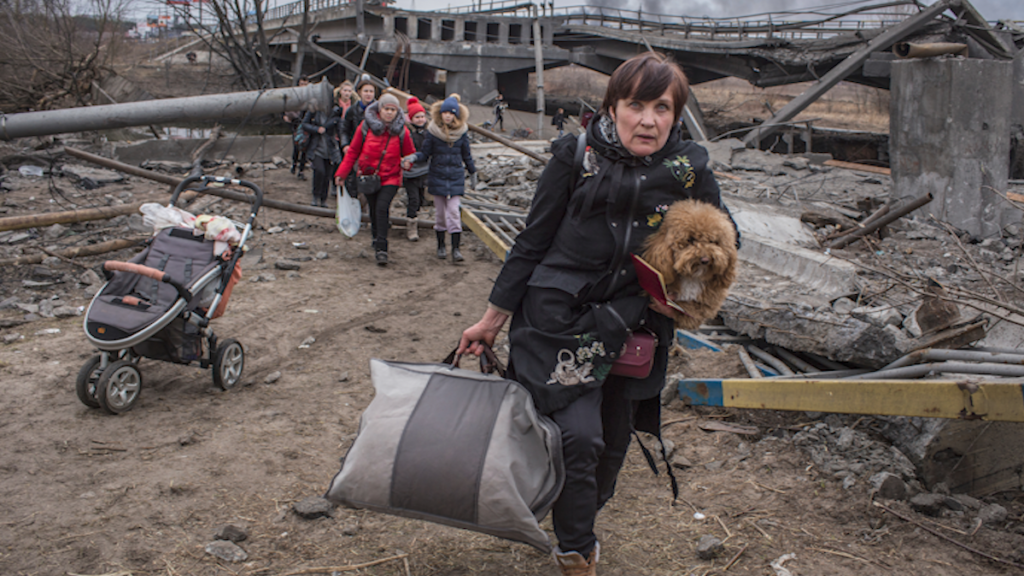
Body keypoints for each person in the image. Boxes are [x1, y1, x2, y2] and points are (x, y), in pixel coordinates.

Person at [456, 53, 738, 576]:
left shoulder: (689, 169)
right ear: (613, 106)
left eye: (662, 107)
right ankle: (575, 550)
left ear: (676, 115)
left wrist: (682, 296)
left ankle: (574, 512)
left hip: (634, 326)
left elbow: (724, 240)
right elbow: (531, 242)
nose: (648, 119)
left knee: (609, 449)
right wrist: (491, 320)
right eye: (636, 105)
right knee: (578, 438)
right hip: (558, 319)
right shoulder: (575, 154)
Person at [334, 93, 415, 266]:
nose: (390, 113)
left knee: (382, 208)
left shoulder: (402, 131)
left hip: (391, 176)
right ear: (380, 109)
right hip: (368, 175)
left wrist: (408, 163)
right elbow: (353, 152)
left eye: (393, 110)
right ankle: (375, 237)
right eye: (387, 109)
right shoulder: (365, 127)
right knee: (372, 208)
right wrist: (341, 174)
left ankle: (382, 248)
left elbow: (409, 154)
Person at [402, 94, 476, 263]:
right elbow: (425, 153)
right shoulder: (433, 133)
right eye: (445, 113)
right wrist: (413, 157)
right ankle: (441, 246)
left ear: (456, 115)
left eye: (451, 113)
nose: (448, 116)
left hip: (455, 177)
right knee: (441, 215)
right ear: (440, 114)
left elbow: (467, 155)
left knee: (453, 213)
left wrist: (472, 172)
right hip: (437, 176)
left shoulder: (462, 133)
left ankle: (456, 249)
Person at [340, 75, 379, 207]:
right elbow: (344, 128)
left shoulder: (379, 110)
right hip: (357, 149)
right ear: (359, 92)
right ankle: (356, 207)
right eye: (366, 91)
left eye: (371, 91)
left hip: (375, 150)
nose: (368, 94)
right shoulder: (353, 110)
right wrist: (345, 144)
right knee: (355, 180)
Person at [300, 99, 340, 208]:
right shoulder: (314, 110)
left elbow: (340, 125)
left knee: (327, 175)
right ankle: (315, 196)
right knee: (319, 171)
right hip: (316, 147)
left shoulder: (335, 111)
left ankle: (323, 199)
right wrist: (316, 129)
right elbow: (304, 124)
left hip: (330, 148)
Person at [402, 96, 430, 242]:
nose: (420, 120)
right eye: (417, 117)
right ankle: (411, 225)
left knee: (420, 199)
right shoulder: (407, 133)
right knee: (413, 198)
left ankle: (415, 216)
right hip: (410, 171)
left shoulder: (428, 133)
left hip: (424, 171)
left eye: (422, 116)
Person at [284, 76, 311, 180]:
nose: (303, 86)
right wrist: (285, 116)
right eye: (301, 84)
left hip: (306, 124)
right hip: (296, 123)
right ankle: (294, 164)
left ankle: (301, 170)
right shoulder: (294, 95)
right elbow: (285, 106)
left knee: (305, 147)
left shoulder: (309, 96)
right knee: (296, 146)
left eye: (305, 84)